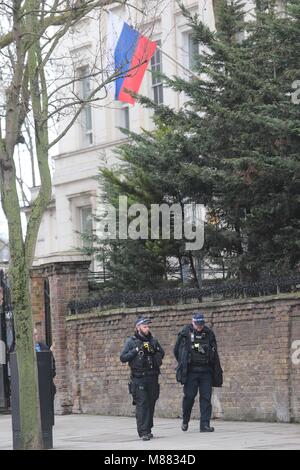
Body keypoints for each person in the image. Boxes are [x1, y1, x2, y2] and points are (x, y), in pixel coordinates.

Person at [174, 312, 223, 433]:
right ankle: (185, 420)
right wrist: (183, 363)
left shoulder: (209, 333)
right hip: (191, 371)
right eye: (197, 324)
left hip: (206, 371)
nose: (200, 327)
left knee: (206, 398)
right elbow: (176, 351)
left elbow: (214, 351)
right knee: (189, 397)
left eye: (201, 324)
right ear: (192, 322)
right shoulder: (185, 333)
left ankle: (205, 425)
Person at [120, 317, 165, 441]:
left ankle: (148, 429)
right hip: (138, 378)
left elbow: (162, 353)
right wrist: (136, 350)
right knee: (142, 404)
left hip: (152, 377)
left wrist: (153, 351)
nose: (147, 328)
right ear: (138, 327)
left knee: (151, 403)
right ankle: (143, 431)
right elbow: (123, 358)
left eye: (148, 326)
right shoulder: (131, 341)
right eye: (144, 326)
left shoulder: (153, 341)